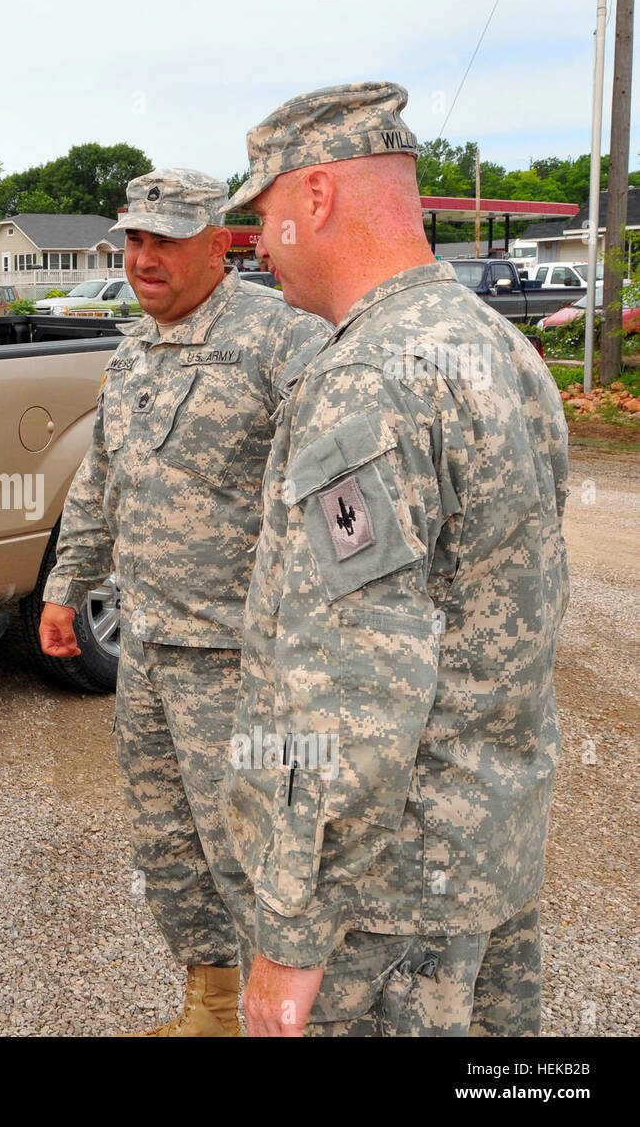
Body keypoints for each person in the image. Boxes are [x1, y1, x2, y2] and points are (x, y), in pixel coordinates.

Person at [219, 82, 570, 1036]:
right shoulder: (501, 348)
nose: (256, 242)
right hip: (489, 858)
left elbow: (352, 684)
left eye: (264, 212)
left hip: (387, 910)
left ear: (318, 197)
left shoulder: (366, 381)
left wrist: (292, 936)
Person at [37, 169, 329, 1036]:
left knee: (255, 853)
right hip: (150, 653)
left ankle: (274, 1019)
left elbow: (330, 503)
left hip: (241, 663)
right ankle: (208, 1010)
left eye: (165, 239)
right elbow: (99, 482)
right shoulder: (133, 352)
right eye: (133, 238)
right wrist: (67, 585)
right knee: (170, 847)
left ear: (220, 243)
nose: (144, 257)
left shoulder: (283, 343)